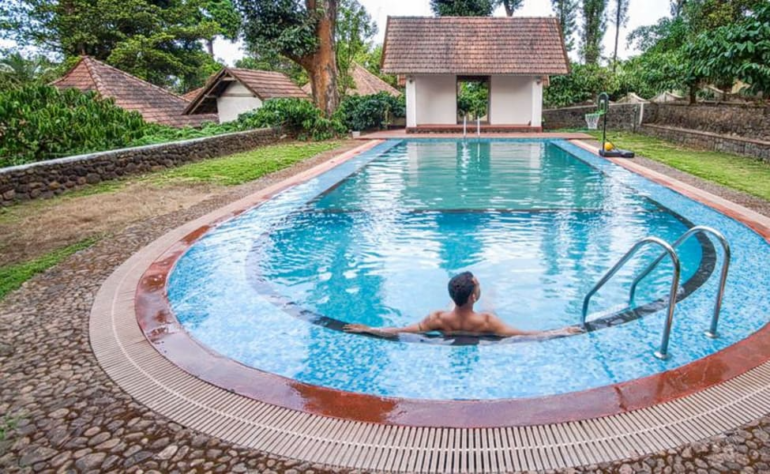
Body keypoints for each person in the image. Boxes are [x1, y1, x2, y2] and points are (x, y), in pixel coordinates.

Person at [344, 271, 583, 338]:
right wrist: (561, 331)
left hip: (453, 320)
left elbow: (401, 330)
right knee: (490, 303)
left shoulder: (437, 318)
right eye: (476, 288)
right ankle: (487, 293)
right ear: (472, 297)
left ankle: (465, 298)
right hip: (474, 321)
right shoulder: (487, 321)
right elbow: (527, 335)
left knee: (462, 305)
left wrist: (370, 329)